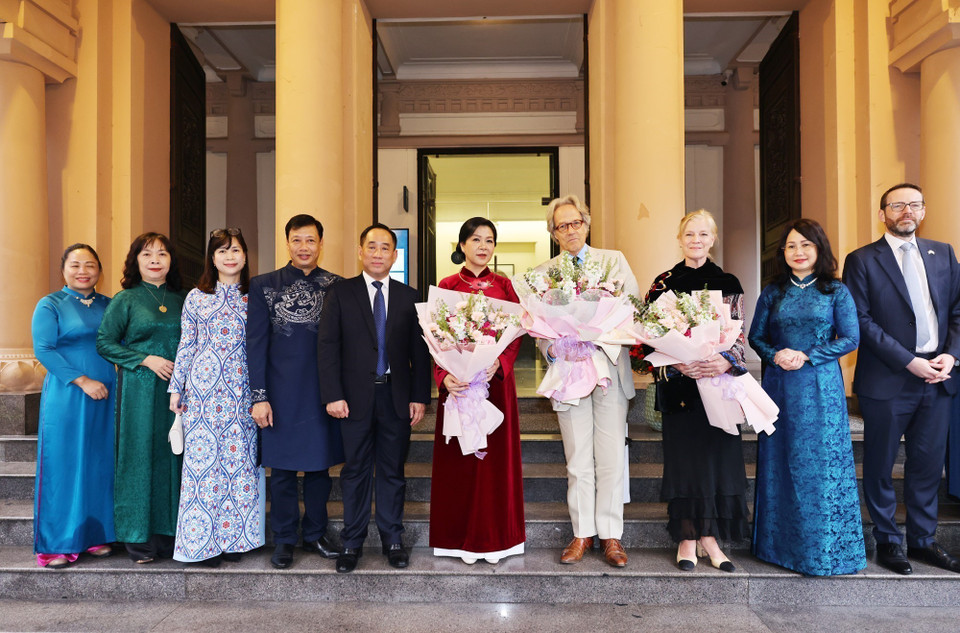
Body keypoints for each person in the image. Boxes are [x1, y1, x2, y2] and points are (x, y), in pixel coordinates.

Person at [842, 183, 960, 575]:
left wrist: (951, 355)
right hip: (889, 377)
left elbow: (958, 311)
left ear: (923, 211)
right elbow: (859, 320)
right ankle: (889, 541)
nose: (906, 211)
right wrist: (908, 360)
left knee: (927, 465)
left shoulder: (942, 253)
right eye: (897, 205)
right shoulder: (861, 259)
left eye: (914, 204)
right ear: (883, 214)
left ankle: (923, 541)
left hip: (937, 377)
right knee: (880, 463)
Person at [748, 219, 866, 576]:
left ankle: (824, 551)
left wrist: (809, 355)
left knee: (821, 465)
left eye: (805, 245)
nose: (798, 252)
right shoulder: (772, 292)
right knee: (781, 462)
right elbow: (756, 336)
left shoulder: (836, 291)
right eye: (791, 246)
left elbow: (850, 338)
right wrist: (775, 355)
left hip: (821, 387)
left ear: (819, 249)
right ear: (782, 253)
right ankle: (778, 548)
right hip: (780, 386)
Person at [318, 223, 431, 574]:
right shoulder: (340, 293)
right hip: (351, 401)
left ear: (395, 255)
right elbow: (327, 348)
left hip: (396, 398)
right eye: (372, 247)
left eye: (386, 248)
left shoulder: (410, 297)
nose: (378, 253)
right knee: (354, 472)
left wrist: (419, 396)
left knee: (393, 472)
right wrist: (332, 395)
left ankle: (392, 540)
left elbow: (420, 352)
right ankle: (351, 543)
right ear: (360, 251)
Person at [535, 195, 639, 568]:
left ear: (587, 223)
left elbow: (632, 310)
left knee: (610, 459)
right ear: (554, 233)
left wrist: (598, 335)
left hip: (609, 369)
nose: (570, 230)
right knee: (578, 460)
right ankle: (582, 533)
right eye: (561, 226)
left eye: (575, 222)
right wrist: (554, 348)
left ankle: (611, 536)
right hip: (569, 372)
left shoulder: (614, 262)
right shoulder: (544, 274)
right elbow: (539, 326)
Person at [645, 209, 747, 573]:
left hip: (718, 384)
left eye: (703, 235)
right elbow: (644, 340)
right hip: (681, 389)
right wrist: (674, 362)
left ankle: (711, 539)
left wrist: (725, 361)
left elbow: (739, 336)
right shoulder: (663, 283)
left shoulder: (729, 281)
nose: (696, 241)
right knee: (685, 464)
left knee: (717, 462)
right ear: (680, 237)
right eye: (690, 234)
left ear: (713, 239)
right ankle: (688, 538)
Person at [247, 214, 345, 570]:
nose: (304, 247)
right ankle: (285, 539)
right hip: (279, 392)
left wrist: (342, 393)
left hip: (323, 392)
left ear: (322, 243)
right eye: (297, 240)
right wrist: (259, 395)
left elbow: (346, 346)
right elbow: (254, 344)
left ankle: (316, 533)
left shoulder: (338, 286)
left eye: (311, 240)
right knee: (284, 471)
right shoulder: (264, 285)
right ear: (287, 243)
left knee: (320, 469)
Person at [430, 217, 525, 565]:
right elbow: (435, 341)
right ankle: (457, 541)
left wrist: (500, 364)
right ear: (461, 245)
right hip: (459, 386)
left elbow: (516, 336)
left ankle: (499, 540)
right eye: (475, 239)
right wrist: (443, 377)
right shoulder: (447, 285)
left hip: (495, 386)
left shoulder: (506, 287)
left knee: (495, 465)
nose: (483, 246)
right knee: (461, 462)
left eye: (489, 240)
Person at [168, 228, 265, 566]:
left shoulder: (257, 295)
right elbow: (187, 344)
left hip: (242, 388)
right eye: (222, 251)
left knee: (239, 465)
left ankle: (236, 540)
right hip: (204, 390)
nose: (229, 256)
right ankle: (203, 544)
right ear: (211, 257)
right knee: (203, 467)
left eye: (235, 249)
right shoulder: (196, 297)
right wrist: (176, 388)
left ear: (245, 255)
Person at [97, 232, 186, 564]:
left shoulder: (183, 299)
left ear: (170, 261)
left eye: (162, 254)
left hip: (177, 393)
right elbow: (105, 343)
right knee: (138, 458)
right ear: (136, 260)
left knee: (172, 458)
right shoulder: (126, 299)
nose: (155, 260)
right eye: (147, 254)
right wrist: (145, 359)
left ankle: (170, 534)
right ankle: (138, 538)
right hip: (138, 391)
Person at [31, 244, 117, 568]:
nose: (83, 270)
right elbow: (44, 349)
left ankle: (94, 536)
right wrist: (83, 381)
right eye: (76, 264)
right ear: (63, 269)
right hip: (68, 394)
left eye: (90, 264)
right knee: (64, 463)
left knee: (99, 462)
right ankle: (56, 544)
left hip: (107, 396)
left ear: (99, 270)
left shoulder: (110, 304)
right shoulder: (51, 304)